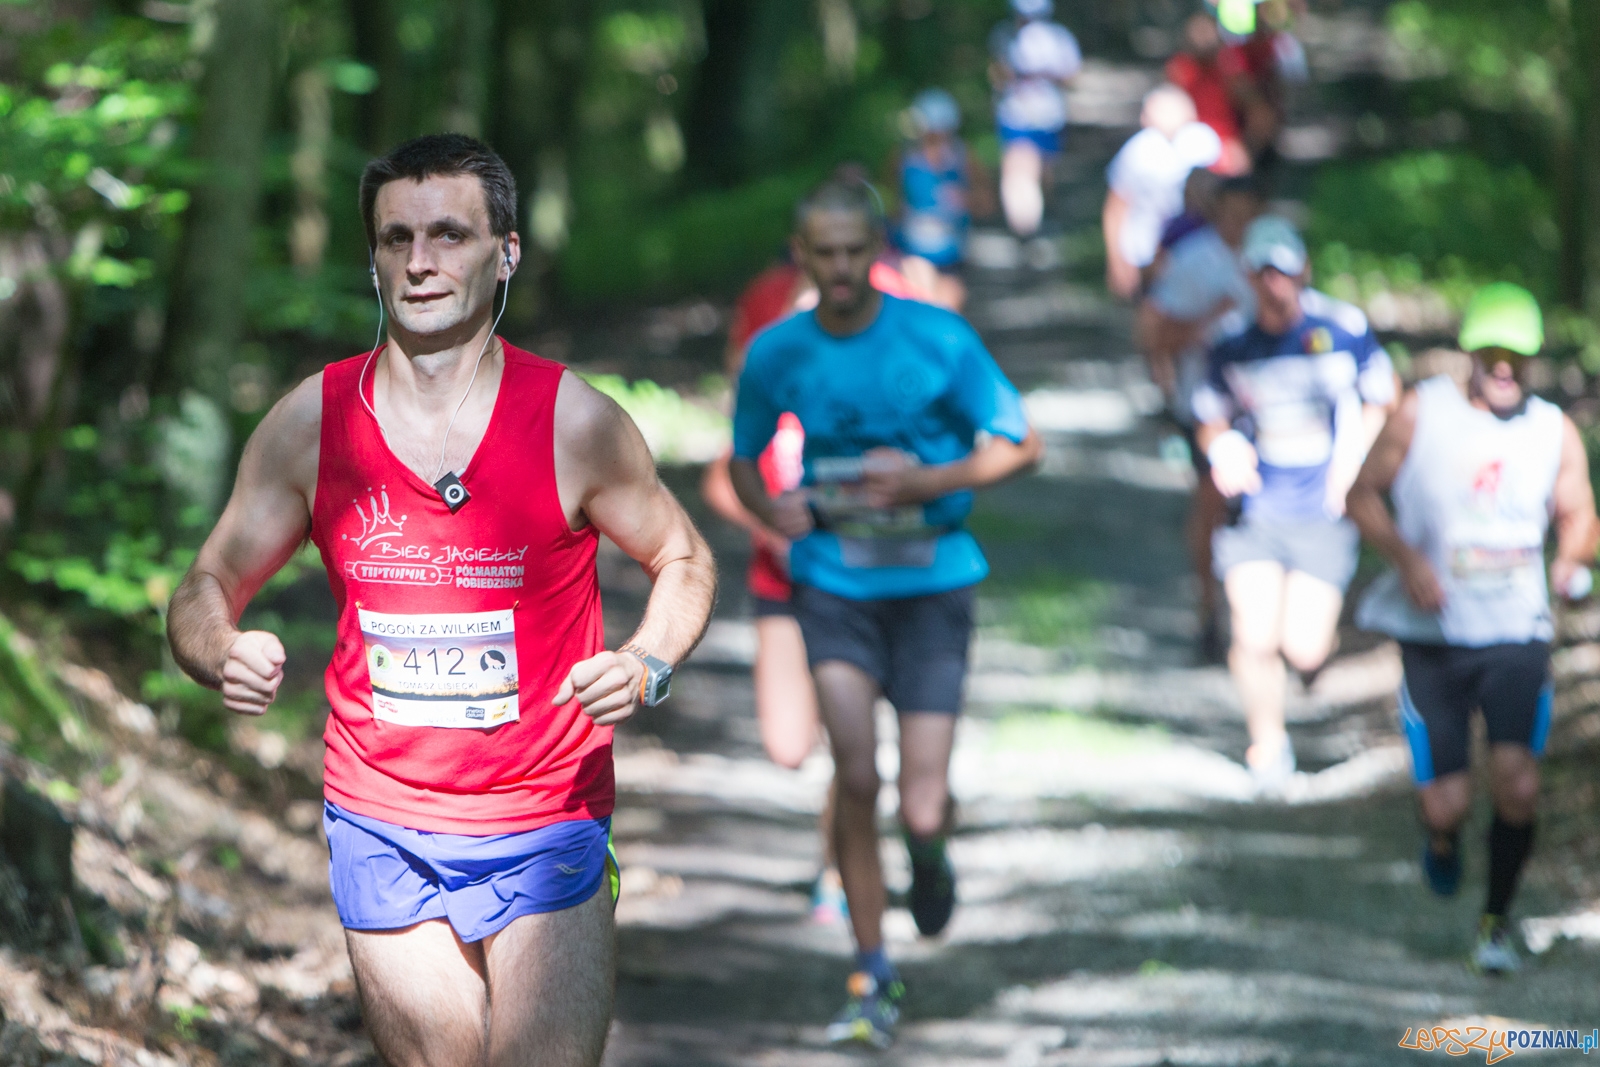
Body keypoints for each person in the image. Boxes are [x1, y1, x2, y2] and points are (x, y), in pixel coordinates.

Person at [165, 134, 717, 1067]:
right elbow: (203, 585)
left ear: (506, 253)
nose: (420, 261)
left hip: (546, 813)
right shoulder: (314, 422)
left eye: (450, 234)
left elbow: (685, 556)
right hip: (382, 814)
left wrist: (646, 662)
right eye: (397, 238)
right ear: (374, 258)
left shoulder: (573, 420)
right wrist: (221, 647)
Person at [729, 178, 1041, 1048]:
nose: (839, 268)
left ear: (877, 251)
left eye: (853, 251)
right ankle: (871, 969)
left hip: (933, 585)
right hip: (834, 585)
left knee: (924, 803)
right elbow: (744, 456)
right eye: (822, 253)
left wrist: (928, 482)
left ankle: (930, 855)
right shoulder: (777, 351)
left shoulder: (936, 337)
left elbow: (1022, 444)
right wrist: (770, 510)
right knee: (858, 773)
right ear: (801, 254)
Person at [1349, 283, 1599, 974]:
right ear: (1471, 354)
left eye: (1518, 356)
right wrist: (1407, 560)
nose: (1505, 367)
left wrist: (1570, 559)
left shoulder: (1551, 430)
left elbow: (1580, 512)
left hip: (1516, 632)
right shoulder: (1421, 412)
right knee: (1447, 803)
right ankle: (1441, 837)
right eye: (1493, 354)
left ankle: (1496, 923)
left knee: (1518, 784)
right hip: (1434, 638)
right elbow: (1360, 494)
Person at [1192, 216, 1394, 788]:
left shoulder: (1343, 328)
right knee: (1254, 635)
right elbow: (1207, 417)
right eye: (1261, 273)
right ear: (1247, 277)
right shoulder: (1229, 341)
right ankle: (1267, 747)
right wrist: (1224, 449)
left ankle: (1309, 665)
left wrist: (1353, 464)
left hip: (1323, 511)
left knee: (1304, 648)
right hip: (1257, 510)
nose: (1272, 284)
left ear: (1302, 271)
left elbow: (1384, 397)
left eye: (1281, 271)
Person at [699, 257, 848, 924]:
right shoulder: (767, 401)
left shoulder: (868, 396)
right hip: (781, 587)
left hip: (858, 589)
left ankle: (837, 871)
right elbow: (720, 479)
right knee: (790, 746)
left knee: (851, 741)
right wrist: (769, 526)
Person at [1138, 174, 1263, 661]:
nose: (1240, 223)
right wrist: (1208, 323)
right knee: (1212, 501)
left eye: (1248, 213)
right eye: (1232, 213)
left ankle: (1262, 618)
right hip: (1208, 405)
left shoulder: (1275, 259)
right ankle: (1210, 609)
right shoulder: (1193, 261)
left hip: (1270, 409)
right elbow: (1153, 335)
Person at [1102, 84, 1222, 299]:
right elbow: (1116, 207)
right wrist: (1117, 260)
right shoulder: (1138, 150)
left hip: (1197, 247)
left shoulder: (1204, 143)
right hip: (1145, 254)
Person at [889, 88, 994, 313]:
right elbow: (888, 198)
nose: (936, 139)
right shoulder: (903, 158)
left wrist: (965, 200)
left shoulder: (962, 156)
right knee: (923, 303)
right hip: (913, 249)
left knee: (948, 311)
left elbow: (987, 201)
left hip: (952, 251)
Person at [988, 0, 1081, 238]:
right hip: (1020, 114)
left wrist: (1040, 74)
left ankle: (1038, 222)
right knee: (1020, 169)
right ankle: (1026, 227)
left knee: (1039, 171)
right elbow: (997, 74)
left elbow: (1071, 75)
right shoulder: (1006, 35)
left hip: (1044, 115)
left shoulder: (1056, 37)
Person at [1165, 13, 1252, 176]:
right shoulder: (1180, 68)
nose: (1203, 39)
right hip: (1189, 146)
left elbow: (1256, 110)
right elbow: (1168, 112)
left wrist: (1246, 145)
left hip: (1226, 146)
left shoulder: (1228, 65)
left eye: (1207, 33)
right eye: (1198, 34)